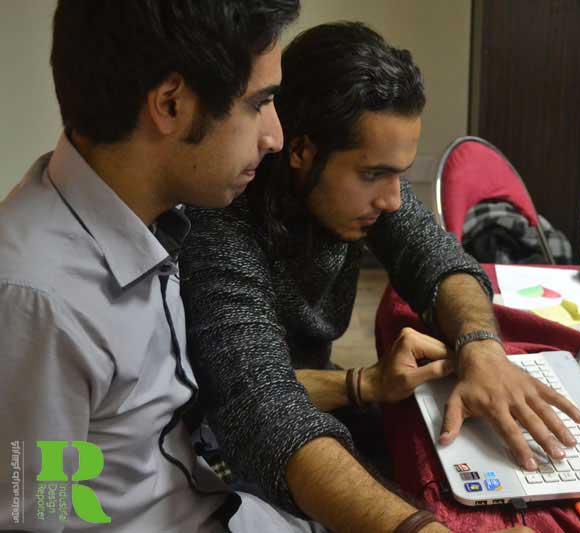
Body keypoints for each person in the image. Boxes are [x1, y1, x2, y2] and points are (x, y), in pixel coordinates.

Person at [179, 22, 576, 532]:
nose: (391, 200)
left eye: (399, 174)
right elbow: (253, 400)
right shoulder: (222, 222)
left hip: (295, 406)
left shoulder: (353, 188)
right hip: (227, 446)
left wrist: (481, 347)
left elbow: (441, 261)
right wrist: (361, 384)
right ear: (300, 151)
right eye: (373, 174)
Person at [0, 1, 335, 531]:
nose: (274, 136)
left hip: (215, 495)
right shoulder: (39, 303)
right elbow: (36, 517)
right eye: (259, 103)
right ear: (171, 104)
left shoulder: (151, 206)